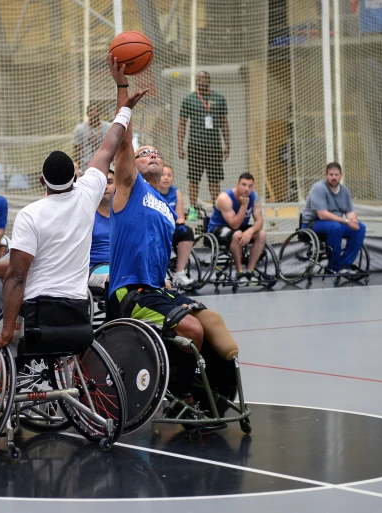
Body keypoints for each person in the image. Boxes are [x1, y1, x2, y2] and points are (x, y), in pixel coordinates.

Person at [0, 58, 148, 354]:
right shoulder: (88, 193)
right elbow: (110, 143)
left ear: (41, 181)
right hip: (78, 311)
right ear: (76, 176)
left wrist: (7, 332)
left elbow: (17, 277)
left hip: (38, 313)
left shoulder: (31, 214)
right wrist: (124, 94)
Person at [108, 61, 239, 407]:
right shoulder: (128, 188)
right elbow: (123, 145)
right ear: (133, 166)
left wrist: (165, 278)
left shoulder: (166, 206)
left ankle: (219, 391)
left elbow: (152, 249)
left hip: (155, 289)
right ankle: (183, 393)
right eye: (143, 154)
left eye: (155, 154)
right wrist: (123, 94)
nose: (149, 155)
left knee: (211, 322)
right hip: (128, 293)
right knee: (192, 331)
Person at [177, 71, 230, 221]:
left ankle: (216, 209)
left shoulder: (219, 99)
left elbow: (224, 122)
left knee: (214, 179)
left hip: (214, 146)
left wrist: (228, 144)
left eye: (205, 77)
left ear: (209, 80)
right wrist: (180, 146)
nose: (203, 80)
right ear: (196, 81)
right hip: (195, 145)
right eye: (200, 78)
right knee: (194, 179)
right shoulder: (189, 99)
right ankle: (193, 209)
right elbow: (182, 124)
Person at [301, 163, 366, 277]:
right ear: (325, 175)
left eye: (336, 175)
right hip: (312, 224)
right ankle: (333, 266)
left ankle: (345, 265)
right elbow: (323, 215)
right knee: (336, 227)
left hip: (336, 224)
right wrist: (346, 221)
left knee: (360, 228)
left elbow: (350, 211)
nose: (334, 177)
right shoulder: (318, 188)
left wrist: (353, 220)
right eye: (331, 174)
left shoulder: (345, 190)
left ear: (341, 176)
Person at [206, 173, 266, 283]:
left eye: (250, 186)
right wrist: (244, 205)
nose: (246, 189)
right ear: (237, 184)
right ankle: (240, 272)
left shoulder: (255, 197)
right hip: (218, 229)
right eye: (243, 185)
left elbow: (260, 221)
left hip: (239, 229)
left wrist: (250, 231)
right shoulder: (224, 198)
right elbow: (234, 225)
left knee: (261, 234)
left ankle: (250, 270)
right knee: (237, 234)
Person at [158, 166, 196, 288]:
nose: (166, 178)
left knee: (187, 232)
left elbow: (180, 217)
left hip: (172, 228)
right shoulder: (152, 191)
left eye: (169, 175)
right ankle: (160, 274)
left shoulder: (176, 192)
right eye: (163, 174)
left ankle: (179, 273)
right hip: (158, 229)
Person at [88, 169, 114, 291]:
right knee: (120, 279)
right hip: (94, 269)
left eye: (109, 182)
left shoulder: (124, 215)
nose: (105, 187)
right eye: (101, 183)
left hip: (120, 267)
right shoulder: (87, 215)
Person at [73, 101, 113, 174]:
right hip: (87, 166)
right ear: (87, 113)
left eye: (96, 110)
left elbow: (114, 146)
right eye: (91, 110)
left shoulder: (108, 127)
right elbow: (77, 150)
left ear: (100, 112)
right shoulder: (80, 129)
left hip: (106, 164)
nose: (93, 112)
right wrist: (78, 167)